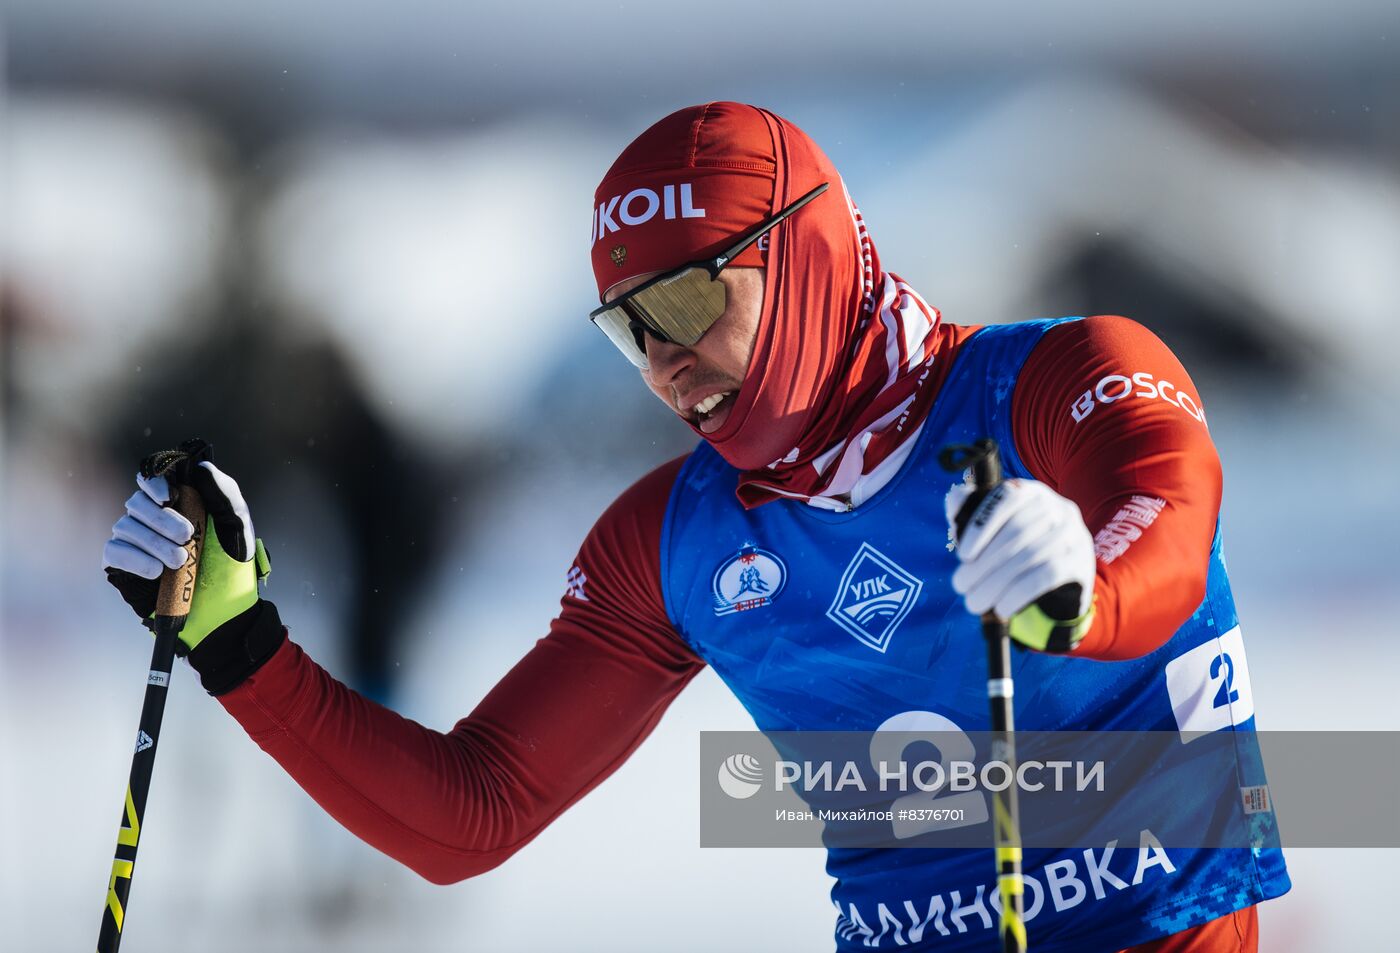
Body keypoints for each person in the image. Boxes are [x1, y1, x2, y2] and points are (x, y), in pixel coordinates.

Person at [102, 102, 1289, 952]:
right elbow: (470, 812)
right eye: (628, 328)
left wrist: (1083, 585)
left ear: (807, 255)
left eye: (685, 298)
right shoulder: (672, 543)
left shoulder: (1052, 381)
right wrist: (239, 644)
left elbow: (1170, 523)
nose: (664, 362)